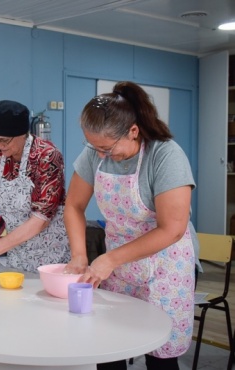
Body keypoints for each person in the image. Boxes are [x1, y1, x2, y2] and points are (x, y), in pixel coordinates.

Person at [63, 81, 196, 370]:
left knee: (159, 355)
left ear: (133, 132)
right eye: (93, 146)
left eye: (107, 148)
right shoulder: (95, 153)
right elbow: (73, 206)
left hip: (164, 267)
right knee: (109, 348)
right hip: (118, 267)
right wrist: (79, 256)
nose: (100, 155)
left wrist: (110, 258)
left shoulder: (165, 156)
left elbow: (172, 229)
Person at [0, 100, 70, 275]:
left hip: (50, 255)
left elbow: (40, 219)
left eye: (4, 141)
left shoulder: (46, 156)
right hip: (16, 253)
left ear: (23, 134)